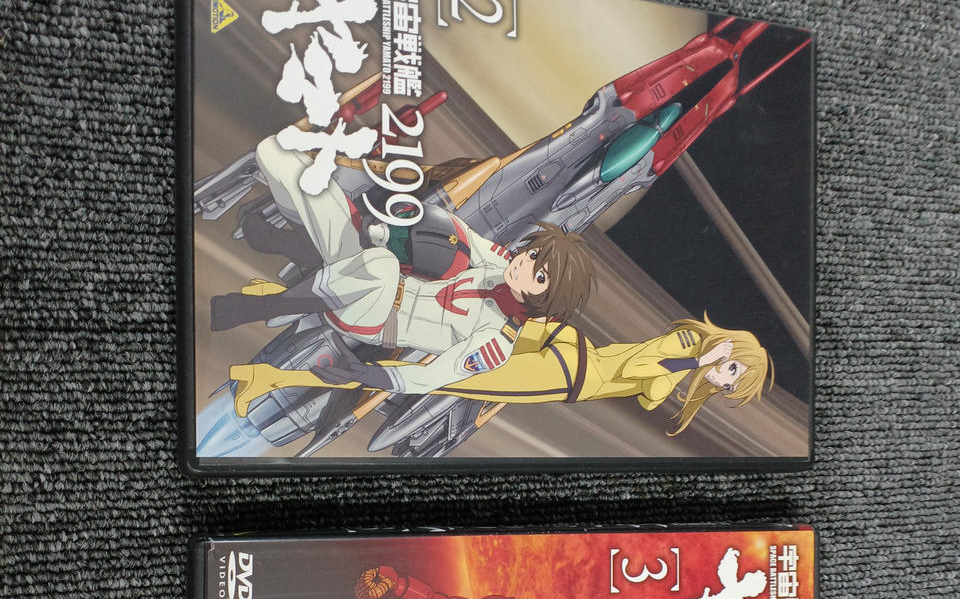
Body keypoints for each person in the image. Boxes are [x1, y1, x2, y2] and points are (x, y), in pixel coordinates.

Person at [211, 133, 595, 404]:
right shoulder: (499, 264)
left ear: (549, 301)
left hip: (371, 316)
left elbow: (432, 376)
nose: (525, 265)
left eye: (539, 276)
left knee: (381, 267)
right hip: (361, 266)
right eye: (532, 255)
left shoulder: (494, 343)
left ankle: (255, 308)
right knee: (280, 155)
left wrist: (371, 375)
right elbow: (456, 229)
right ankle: (291, 242)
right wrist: (396, 222)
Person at [225, 310, 772, 434]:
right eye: (732, 370)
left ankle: (277, 376)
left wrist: (694, 373)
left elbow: (650, 397)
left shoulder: (689, 360)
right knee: (427, 375)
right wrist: (695, 363)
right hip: (560, 371)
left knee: (430, 367)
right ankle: (273, 378)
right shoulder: (686, 346)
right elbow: (642, 373)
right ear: (729, 348)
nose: (723, 381)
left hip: (561, 369)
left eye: (730, 384)